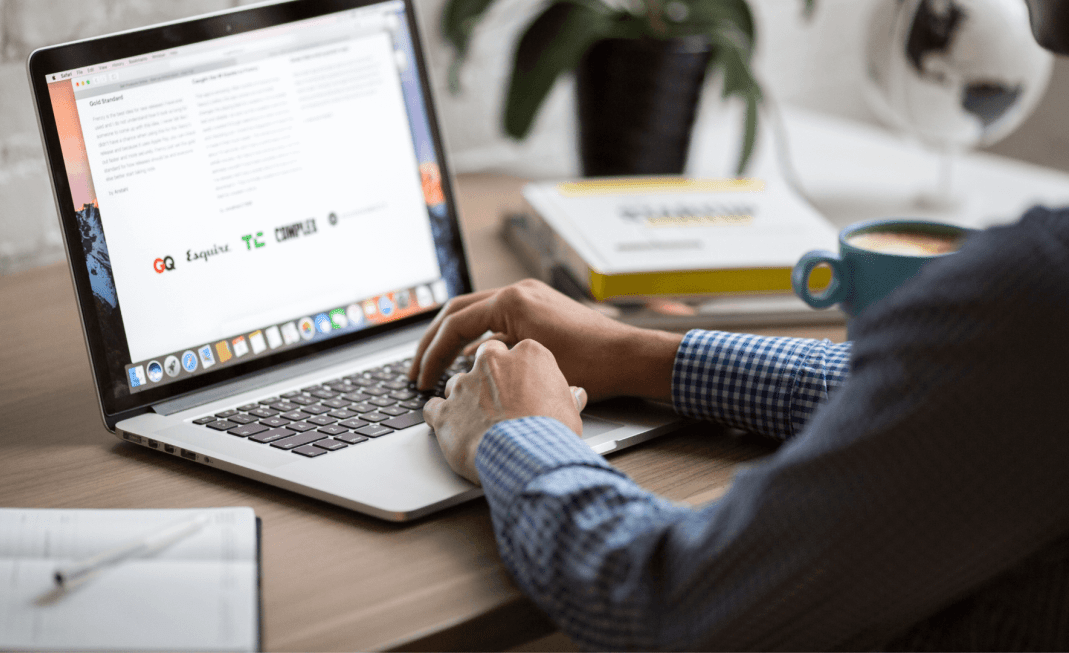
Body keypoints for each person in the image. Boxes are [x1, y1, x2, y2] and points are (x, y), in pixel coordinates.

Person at [411, 5, 1069, 640]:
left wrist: (520, 433)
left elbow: (670, 604)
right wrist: (644, 355)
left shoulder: (1037, 289)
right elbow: (951, 401)